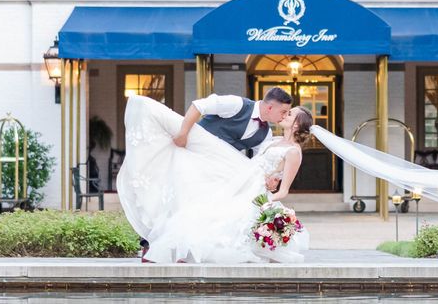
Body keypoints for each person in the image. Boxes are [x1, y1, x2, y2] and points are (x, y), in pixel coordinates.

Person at [117, 94, 313, 263]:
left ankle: (181, 249)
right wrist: (184, 133)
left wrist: (269, 195)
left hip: (245, 181)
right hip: (221, 164)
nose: (285, 115)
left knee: (213, 213)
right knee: (196, 203)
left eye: (290, 114)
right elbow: (200, 105)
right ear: (270, 106)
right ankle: (168, 246)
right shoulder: (258, 124)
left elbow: (280, 184)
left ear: (297, 125)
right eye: (285, 111)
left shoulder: (282, 145)